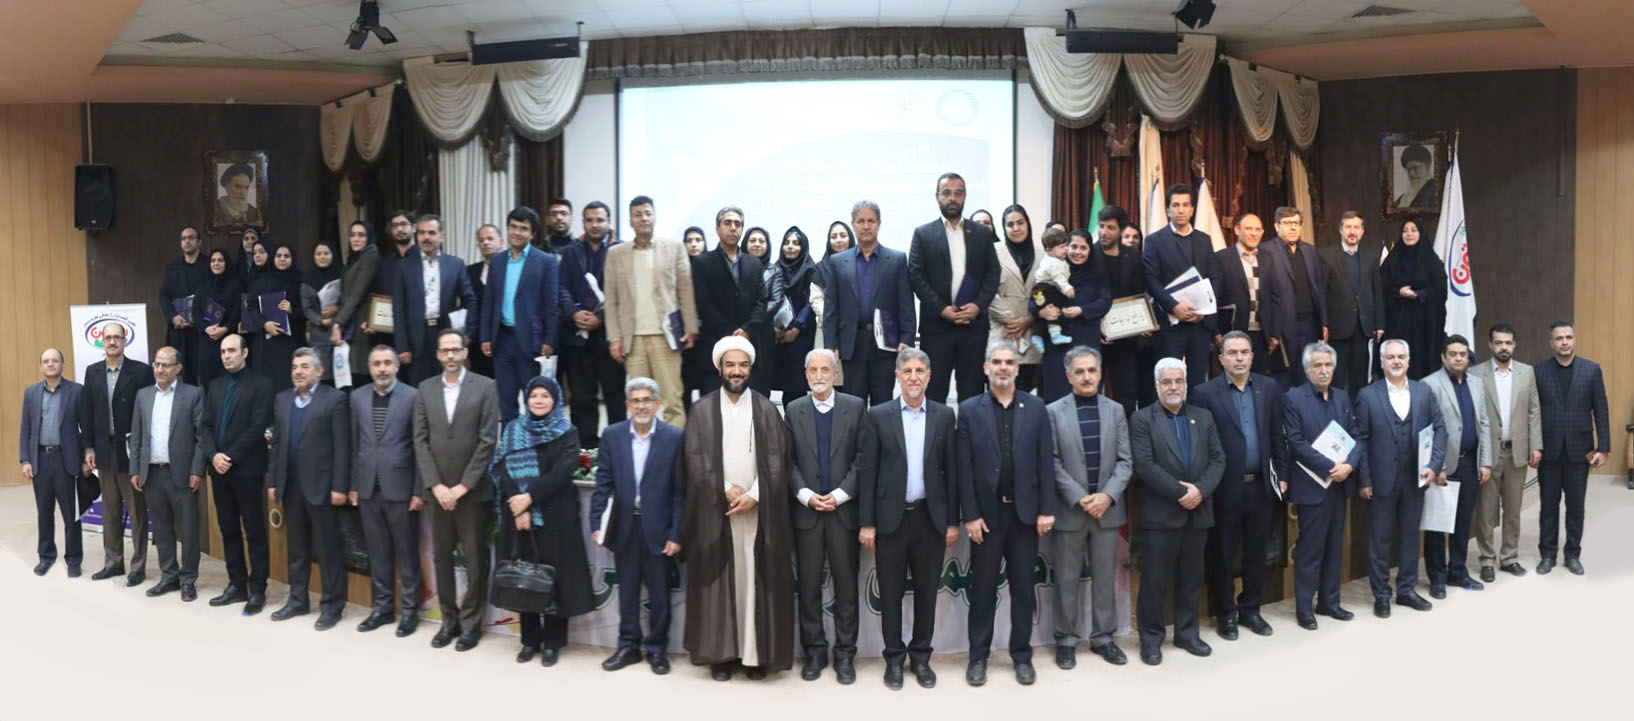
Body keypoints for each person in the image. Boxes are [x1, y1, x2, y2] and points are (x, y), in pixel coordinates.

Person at [680, 336, 795, 681]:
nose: (736, 371)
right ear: (719, 368)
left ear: (750, 368)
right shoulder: (702, 410)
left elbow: (777, 459)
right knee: (720, 581)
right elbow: (695, 459)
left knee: (753, 580)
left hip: (758, 512)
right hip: (716, 512)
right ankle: (721, 655)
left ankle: (754, 657)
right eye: (730, 364)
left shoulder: (766, 409)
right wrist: (725, 489)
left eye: (743, 365)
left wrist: (755, 494)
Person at [857, 347, 959, 690]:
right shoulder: (878, 415)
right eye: (907, 371)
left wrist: (952, 521)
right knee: (890, 594)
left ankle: (921, 657)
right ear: (897, 376)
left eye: (919, 371)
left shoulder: (944, 416)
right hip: (891, 520)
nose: (913, 377)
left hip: (930, 519)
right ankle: (893, 659)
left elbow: (952, 474)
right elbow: (868, 473)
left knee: (927, 594)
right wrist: (867, 522)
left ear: (929, 376)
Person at [956, 340, 1055, 686]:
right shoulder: (969, 409)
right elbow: (964, 468)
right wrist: (970, 515)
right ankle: (978, 658)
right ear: (986, 368)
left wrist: (1046, 509)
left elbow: (1046, 462)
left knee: (1024, 591)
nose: (1002, 367)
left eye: (1009, 362)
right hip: (986, 518)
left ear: (1017, 368)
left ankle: (1022, 657)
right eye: (996, 362)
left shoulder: (1037, 407)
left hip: (1025, 517)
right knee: (983, 591)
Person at [490, 376, 594, 666]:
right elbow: (501, 468)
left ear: (555, 400)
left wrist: (529, 498)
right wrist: (519, 505)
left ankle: (553, 643)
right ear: (526, 399)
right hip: (518, 517)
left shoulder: (567, 431)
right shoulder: (513, 429)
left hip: (555, 517)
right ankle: (529, 641)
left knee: (553, 580)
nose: (538, 400)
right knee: (524, 579)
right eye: (534, 395)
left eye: (545, 395)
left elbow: (563, 471)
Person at [1190, 332, 1287, 640]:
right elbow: (1200, 445)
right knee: (1222, 553)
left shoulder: (1268, 388)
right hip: (1224, 487)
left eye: (1244, 352)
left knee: (1256, 552)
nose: (1239, 358)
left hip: (1261, 486)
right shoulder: (1204, 393)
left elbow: (1277, 434)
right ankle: (1226, 614)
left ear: (1252, 356)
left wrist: (1282, 474)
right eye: (1232, 353)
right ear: (1220, 359)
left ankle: (1251, 609)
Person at [1129, 357, 1224, 665]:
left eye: (1178, 381)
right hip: (1161, 516)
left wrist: (1200, 491)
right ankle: (1151, 639)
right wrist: (1182, 493)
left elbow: (1218, 460)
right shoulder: (1142, 419)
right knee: (1154, 581)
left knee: (1192, 579)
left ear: (1186, 383)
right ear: (1157, 385)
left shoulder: (1203, 416)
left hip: (1198, 512)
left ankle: (1186, 633)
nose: (1173, 387)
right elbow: (1144, 466)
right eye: (1167, 382)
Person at [589, 377, 685, 675]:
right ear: (628, 405)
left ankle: (657, 649)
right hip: (624, 526)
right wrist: (597, 522)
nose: (641, 406)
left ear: (658, 404)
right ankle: (628, 646)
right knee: (627, 592)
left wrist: (676, 533)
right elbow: (603, 483)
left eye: (647, 400)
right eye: (636, 401)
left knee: (660, 595)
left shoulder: (673, 437)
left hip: (659, 528)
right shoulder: (613, 435)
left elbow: (681, 491)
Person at [413, 329, 500, 651]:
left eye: (455, 349)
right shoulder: (425, 389)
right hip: (436, 494)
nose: (450, 355)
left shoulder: (486, 387)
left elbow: (488, 441)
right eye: (444, 350)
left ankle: (471, 626)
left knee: (476, 562)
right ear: (437, 355)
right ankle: (448, 622)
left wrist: (463, 486)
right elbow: (420, 440)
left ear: (465, 352)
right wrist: (436, 485)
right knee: (441, 560)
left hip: (472, 493)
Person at [1045, 346, 1131, 669]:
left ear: (1100, 373)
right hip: (1071, 509)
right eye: (1079, 371)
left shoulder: (1116, 410)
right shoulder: (1053, 412)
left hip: (1107, 510)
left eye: (1091, 370)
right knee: (1066, 579)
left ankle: (1103, 637)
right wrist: (1080, 496)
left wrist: (1106, 496)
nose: (1086, 377)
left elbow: (1125, 460)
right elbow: (1051, 461)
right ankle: (1066, 640)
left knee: (1105, 579)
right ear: (1068, 376)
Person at [784, 350, 864, 684]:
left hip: (843, 512)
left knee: (846, 588)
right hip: (808, 513)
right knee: (809, 587)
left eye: (825, 370)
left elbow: (862, 457)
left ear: (835, 373)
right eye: (813, 370)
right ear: (806, 374)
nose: (819, 375)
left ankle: (845, 655)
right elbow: (788, 461)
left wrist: (842, 494)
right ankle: (814, 652)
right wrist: (805, 494)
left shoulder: (856, 407)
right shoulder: (793, 410)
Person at [1354, 339, 1446, 617]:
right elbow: (1361, 439)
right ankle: (1381, 594)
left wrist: (1434, 465)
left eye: (1401, 357)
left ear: (1408, 361)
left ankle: (1406, 590)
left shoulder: (1423, 392)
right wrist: (1364, 479)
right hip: (1380, 479)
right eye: (1391, 357)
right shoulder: (1367, 395)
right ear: (1382, 362)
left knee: (1410, 537)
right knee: (1379, 540)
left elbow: (1440, 429)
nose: (1396, 361)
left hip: (1415, 478)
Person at [267, 348, 351, 630]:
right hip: (290, 487)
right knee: (297, 549)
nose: (298, 372)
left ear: (319, 371)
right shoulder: (282, 399)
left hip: (323, 488)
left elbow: (342, 446)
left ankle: (332, 605)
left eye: (304, 366)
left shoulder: (335, 399)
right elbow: (277, 444)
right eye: (295, 367)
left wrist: (340, 486)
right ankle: (298, 600)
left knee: (328, 550)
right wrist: (274, 481)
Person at [1282, 341, 1360, 630]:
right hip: (1311, 486)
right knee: (1310, 551)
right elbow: (1296, 442)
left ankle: (1329, 602)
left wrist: (1349, 466)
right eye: (1318, 365)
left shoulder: (1343, 397)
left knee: (1334, 548)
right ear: (1307, 369)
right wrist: (1331, 466)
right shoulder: (1293, 399)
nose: (1324, 370)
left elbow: (1356, 435)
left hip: (1339, 485)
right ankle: (1304, 608)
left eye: (1328, 365)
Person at [605, 195, 698, 427]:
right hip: (633, 340)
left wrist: (690, 328)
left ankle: (675, 448)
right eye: (638, 215)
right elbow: (611, 299)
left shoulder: (674, 248)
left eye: (648, 213)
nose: (643, 218)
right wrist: (614, 337)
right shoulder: (616, 254)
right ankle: (644, 447)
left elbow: (685, 291)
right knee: (640, 402)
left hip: (666, 338)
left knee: (672, 401)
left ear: (655, 217)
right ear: (630, 221)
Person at [350, 346, 422, 636]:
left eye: (387, 363)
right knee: (376, 552)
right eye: (376, 364)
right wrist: (353, 485)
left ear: (396, 366)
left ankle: (409, 611)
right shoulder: (357, 397)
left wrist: (419, 490)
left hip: (401, 488)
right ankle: (382, 608)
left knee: (406, 553)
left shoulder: (413, 396)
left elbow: (420, 447)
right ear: (369, 368)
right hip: (368, 487)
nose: (382, 368)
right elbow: (354, 444)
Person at [909, 172, 1000, 403]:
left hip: (973, 327)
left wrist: (978, 306)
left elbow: (993, 274)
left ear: (965, 196)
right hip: (937, 327)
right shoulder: (923, 234)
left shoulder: (981, 233)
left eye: (958, 193)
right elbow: (916, 276)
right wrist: (941, 309)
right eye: (947, 193)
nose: (952, 198)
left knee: (972, 395)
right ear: (937, 196)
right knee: (934, 395)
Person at [201, 334, 274, 615]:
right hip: (219, 471)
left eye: (231, 350)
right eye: (223, 352)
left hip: (246, 470)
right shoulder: (216, 385)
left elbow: (258, 427)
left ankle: (258, 589)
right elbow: (205, 426)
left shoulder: (261, 384)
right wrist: (213, 456)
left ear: (245, 352)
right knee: (228, 529)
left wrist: (228, 457)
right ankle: (236, 585)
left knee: (254, 531)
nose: (226, 356)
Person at [128, 347, 208, 602]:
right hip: (152, 474)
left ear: (178, 368)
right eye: (157, 364)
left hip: (183, 475)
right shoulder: (143, 395)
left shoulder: (193, 394)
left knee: (189, 531)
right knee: (162, 530)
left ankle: (188, 580)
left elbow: (201, 437)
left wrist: (197, 470)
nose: (160, 369)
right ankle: (169, 576)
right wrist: (135, 469)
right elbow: (137, 436)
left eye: (165, 365)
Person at [78, 320, 155, 586]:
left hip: (130, 452)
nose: (112, 341)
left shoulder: (141, 372)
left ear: (124, 341)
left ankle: (138, 567)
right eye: (108, 337)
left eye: (117, 337)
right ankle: (113, 563)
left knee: (136, 511)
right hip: (104, 451)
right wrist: (88, 447)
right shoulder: (92, 372)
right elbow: (87, 413)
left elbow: (148, 413)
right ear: (102, 341)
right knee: (110, 509)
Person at [1533, 320, 1609, 576]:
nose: (1564, 342)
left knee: (1576, 508)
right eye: (1559, 338)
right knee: (1548, 507)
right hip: (1549, 451)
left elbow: (1601, 409)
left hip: (1580, 451)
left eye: (1568, 337)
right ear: (1551, 343)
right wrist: (1534, 446)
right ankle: (1547, 554)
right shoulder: (1539, 372)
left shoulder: (1591, 370)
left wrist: (1604, 448)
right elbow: (1533, 412)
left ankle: (1572, 554)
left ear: (1574, 339)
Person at [1467, 322, 1542, 581]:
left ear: (1514, 345)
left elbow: (1534, 411)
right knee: (1486, 512)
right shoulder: (1475, 374)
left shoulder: (1526, 372)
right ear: (1490, 345)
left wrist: (1536, 445)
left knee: (1512, 510)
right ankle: (1487, 559)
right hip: (1489, 454)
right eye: (1498, 342)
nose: (1503, 347)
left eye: (1508, 343)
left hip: (1517, 452)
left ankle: (1509, 557)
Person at [822, 200, 915, 407]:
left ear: (879, 224)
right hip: (851, 343)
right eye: (861, 221)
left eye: (871, 221)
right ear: (853, 224)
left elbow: (906, 305)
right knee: (853, 405)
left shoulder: (897, 260)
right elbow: (831, 309)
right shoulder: (838, 262)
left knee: (883, 404)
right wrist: (830, 345)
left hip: (887, 344)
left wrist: (907, 339)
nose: (866, 226)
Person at [1422, 335, 1493, 597]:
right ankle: (1437, 578)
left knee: (1463, 522)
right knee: (1438, 524)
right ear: (1444, 357)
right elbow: (1426, 429)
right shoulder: (1429, 384)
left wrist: (1485, 461)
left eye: (1463, 354)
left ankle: (1458, 572)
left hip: (1470, 462)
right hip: (1443, 466)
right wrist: (1436, 465)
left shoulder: (1477, 383)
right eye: (1453, 354)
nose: (1459, 358)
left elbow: (1483, 422)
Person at [480, 206, 560, 422]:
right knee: (505, 401)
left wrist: (549, 340)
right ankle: (510, 442)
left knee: (535, 400)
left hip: (532, 341)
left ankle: (535, 442)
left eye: (523, 228)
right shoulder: (497, 261)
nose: (517, 232)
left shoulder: (545, 261)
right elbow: (489, 301)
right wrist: (486, 336)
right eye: (513, 227)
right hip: (502, 340)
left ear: (532, 233)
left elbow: (551, 304)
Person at [558, 201, 626, 448]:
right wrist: (574, 313)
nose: (595, 225)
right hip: (577, 336)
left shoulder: (621, 250)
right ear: (583, 222)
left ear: (609, 222)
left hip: (610, 336)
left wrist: (601, 318)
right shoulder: (571, 251)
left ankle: (617, 448)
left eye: (600, 220)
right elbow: (561, 287)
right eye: (590, 220)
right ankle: (586, 451)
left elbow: (625, 291)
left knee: (614, 396)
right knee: (581, 398)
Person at [1142, 184, 1223, 386]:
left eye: (1185, 205)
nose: (1180, 210)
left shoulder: (1204, 240)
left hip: (1200, 323)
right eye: (1175, 205)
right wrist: (1173, 307)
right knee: (1169, 381)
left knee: (1198, 383)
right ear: (1168, 210)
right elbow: (1150, 279)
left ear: (1192, 210)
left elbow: (1215, 277)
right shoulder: (1154, 241)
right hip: (1170, 324)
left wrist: (1204, 311)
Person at [20, 348, 86, 577]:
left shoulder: (76, 391)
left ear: (62, 364)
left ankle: (74, 560)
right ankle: (46, 556)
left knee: (71, 514)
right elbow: (26, 428)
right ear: (41, 366)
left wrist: (85, 456)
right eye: (46, 361)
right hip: (40, 460)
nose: (50, 364)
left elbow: (85, 427)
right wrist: (25, 459)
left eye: (54, 360)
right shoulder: (31, 393)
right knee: (44, 513)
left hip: (66, 460)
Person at [692, 207, 768, 399]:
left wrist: (747, 330)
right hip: (714, 349)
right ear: (717, 229)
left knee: (749, 408)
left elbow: (762, 301)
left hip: (749, 346)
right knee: (713, 410)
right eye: (727, 223)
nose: (733, 228)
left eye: (737, 224)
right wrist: (733, 333)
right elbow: (703, 304)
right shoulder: (702, 262)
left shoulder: (754, 264)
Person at [394, 214, 478, 386]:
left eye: (432, 233)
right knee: (420, 389)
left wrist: (468, 333)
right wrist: (402, 346)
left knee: (449, 385)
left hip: (446, 332)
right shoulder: (403, 266)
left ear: (442, 236)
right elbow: (398, 308)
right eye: (422, 233)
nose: (426, 237)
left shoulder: (455, 264)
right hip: (416, 337)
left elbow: (470, 299)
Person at [1033, 230, 1111, 403]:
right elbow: (1035, 297)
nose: (1077, 252)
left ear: (1090, 250)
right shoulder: (1053, 268)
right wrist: (1041, 312)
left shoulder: (1098, 273)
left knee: (1087, 395)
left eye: (1083, 248)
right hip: (1056, 345)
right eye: (1073, 246)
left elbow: (1105, 301)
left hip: (1086, 342)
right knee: (1056, 399)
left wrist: (1081, 310)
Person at [1318, 211, 1385, 395]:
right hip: (1337, 328)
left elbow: (1377, 292)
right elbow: (1321, 294)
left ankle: (1359, 411)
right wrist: (1323, 323)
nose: (1352, 231)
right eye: (1348, 227)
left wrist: (1379, 324)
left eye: (1356, 227)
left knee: (1360, 379)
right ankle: (1338, 412)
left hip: (1363, 328)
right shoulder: (1326, 256)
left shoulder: (1371, 257)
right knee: (1337, 378)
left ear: (1362, 231)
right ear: (1341, 230)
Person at [1261, 208, 1328, 385]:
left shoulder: (1310, 250)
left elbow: (1319, 288)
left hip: (1309, 325)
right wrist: (1271, 330)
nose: (1293, 228)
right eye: (1288, 223)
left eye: (1296, 223)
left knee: (1308, 376)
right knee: (1282, 379)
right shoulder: (1265, 251)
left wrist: (1324, 322)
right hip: (1281, 327)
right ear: (1276, 226)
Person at [1380, 218, 1446, 379]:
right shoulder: (1392, 260)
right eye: (1405, 230)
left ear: (1421, 233)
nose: (1409, 234)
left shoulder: (1432, 260)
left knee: (1422, 363)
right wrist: (1399, 292)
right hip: (1397, 322)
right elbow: (1381, 287)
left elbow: (1441, 289)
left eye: (1413, 230)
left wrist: (1420, 294)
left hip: (1425, 323)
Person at [1095, 206, 1145, 416]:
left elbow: (1138, 290)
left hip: (1126, 338)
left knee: (1126, 395)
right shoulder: (1089, 253)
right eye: (1101, 226)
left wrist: (1143, 320)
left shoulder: (1132, 255)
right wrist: (1097, 325)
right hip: (1096, 337)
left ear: (1121, 230)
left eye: (1111, 228)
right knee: (1092, 391)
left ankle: (1126, 435)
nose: (1104, 232)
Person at [989, 204, 1043, 392]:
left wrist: (1030, 318)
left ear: (1028, 224)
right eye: (1010, 224)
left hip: (1032, 333)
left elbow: (1049, 291)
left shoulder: (1042, 254)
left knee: (1026, 393)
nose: (1016, 228)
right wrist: (1012, 321)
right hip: (1003, 331)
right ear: (1004, 228)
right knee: (1000, 391)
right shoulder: (993, 251)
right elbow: (986, 290)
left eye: (1020, 223)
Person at [246, 241, 304, 393]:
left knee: (289, 385)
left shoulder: (299, 281)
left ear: (292, 259)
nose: (282, 259)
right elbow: (251, 306)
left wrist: (292, 310)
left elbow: (308, 311)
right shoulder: (262, 280)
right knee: (268, 386)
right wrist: (264, 324)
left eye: (286, 256)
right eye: (279, 256)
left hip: (291, 342)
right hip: (267, 344)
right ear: (273, 258)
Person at [773, 227, 820, 403]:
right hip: (778, 335)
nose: (790, 247)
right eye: (787, 243)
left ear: (803, 247)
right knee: (782, 383)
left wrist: (797, 328)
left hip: (802, 334)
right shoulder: (775, 269)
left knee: (797, 385)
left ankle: (796, 419)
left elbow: (810, 302)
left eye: (796, 243)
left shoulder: (810, 269)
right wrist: (778, 330)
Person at [159, 225, 210, 384]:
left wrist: (201, 318)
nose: (187, 241)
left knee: (206, 372)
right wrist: (173, 316)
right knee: (182, 372)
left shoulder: (209, 265)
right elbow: (164, 296)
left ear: (199, 242)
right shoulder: (172, 268)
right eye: (184, 238)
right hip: (179, 328)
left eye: (191, 238)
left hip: (202, 329)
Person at [334, 220, 382, 380]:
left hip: (362, 322)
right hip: (351, 320)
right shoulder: (355, 257)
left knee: (362, 373)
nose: (356, 239)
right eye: (352, 235)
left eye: (361, 235)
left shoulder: (370, 256)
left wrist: (338, 322)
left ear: (369, 237)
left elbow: (357, 294)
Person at [742, 225, 785, 395]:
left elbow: (776, 300)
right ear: (745, 243)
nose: (757, 244)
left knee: (760, 380)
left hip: (762, 332)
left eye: (761, 241)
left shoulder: (775, 271)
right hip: (738, 330)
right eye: (752, 240)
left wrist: (752, 320)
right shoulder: (736, 267)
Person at [197, 248, 244, 386]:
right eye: (213, 260)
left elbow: (237, 310)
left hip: (228, 337)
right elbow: (195, 311)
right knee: (208, 382)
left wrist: (225, 329)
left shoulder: (235, 285)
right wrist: (206, 329)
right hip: (207, 339)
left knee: (229, 381)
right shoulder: (202, 285)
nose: (216, 263)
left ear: (226, 263)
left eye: (220, 260)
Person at [464, 224, 505, 378]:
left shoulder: (511, 269)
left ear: (501, 242)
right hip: (477, 341)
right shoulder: (469, 271)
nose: (486, 243)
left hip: (504, 339)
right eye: (482, 240)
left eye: (490, 239)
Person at [300, 241, 344, 382]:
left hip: (340, 331)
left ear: (333, 255)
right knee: (321, 376)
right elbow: (306, 308)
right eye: (318, 254)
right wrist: (321, 320)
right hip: (319, 335)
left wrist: (336, 308)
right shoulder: (308, 279)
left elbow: (349, 301)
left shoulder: (342, 276)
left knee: (341, 377)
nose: (322, 257)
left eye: (326, 253)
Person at [1394, 144, 1437, 209]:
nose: (1411, 173)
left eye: (1415, 168)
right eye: (1408, 170)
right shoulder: (1402, 199)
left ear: (1427, 167)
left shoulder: (1435, 192)